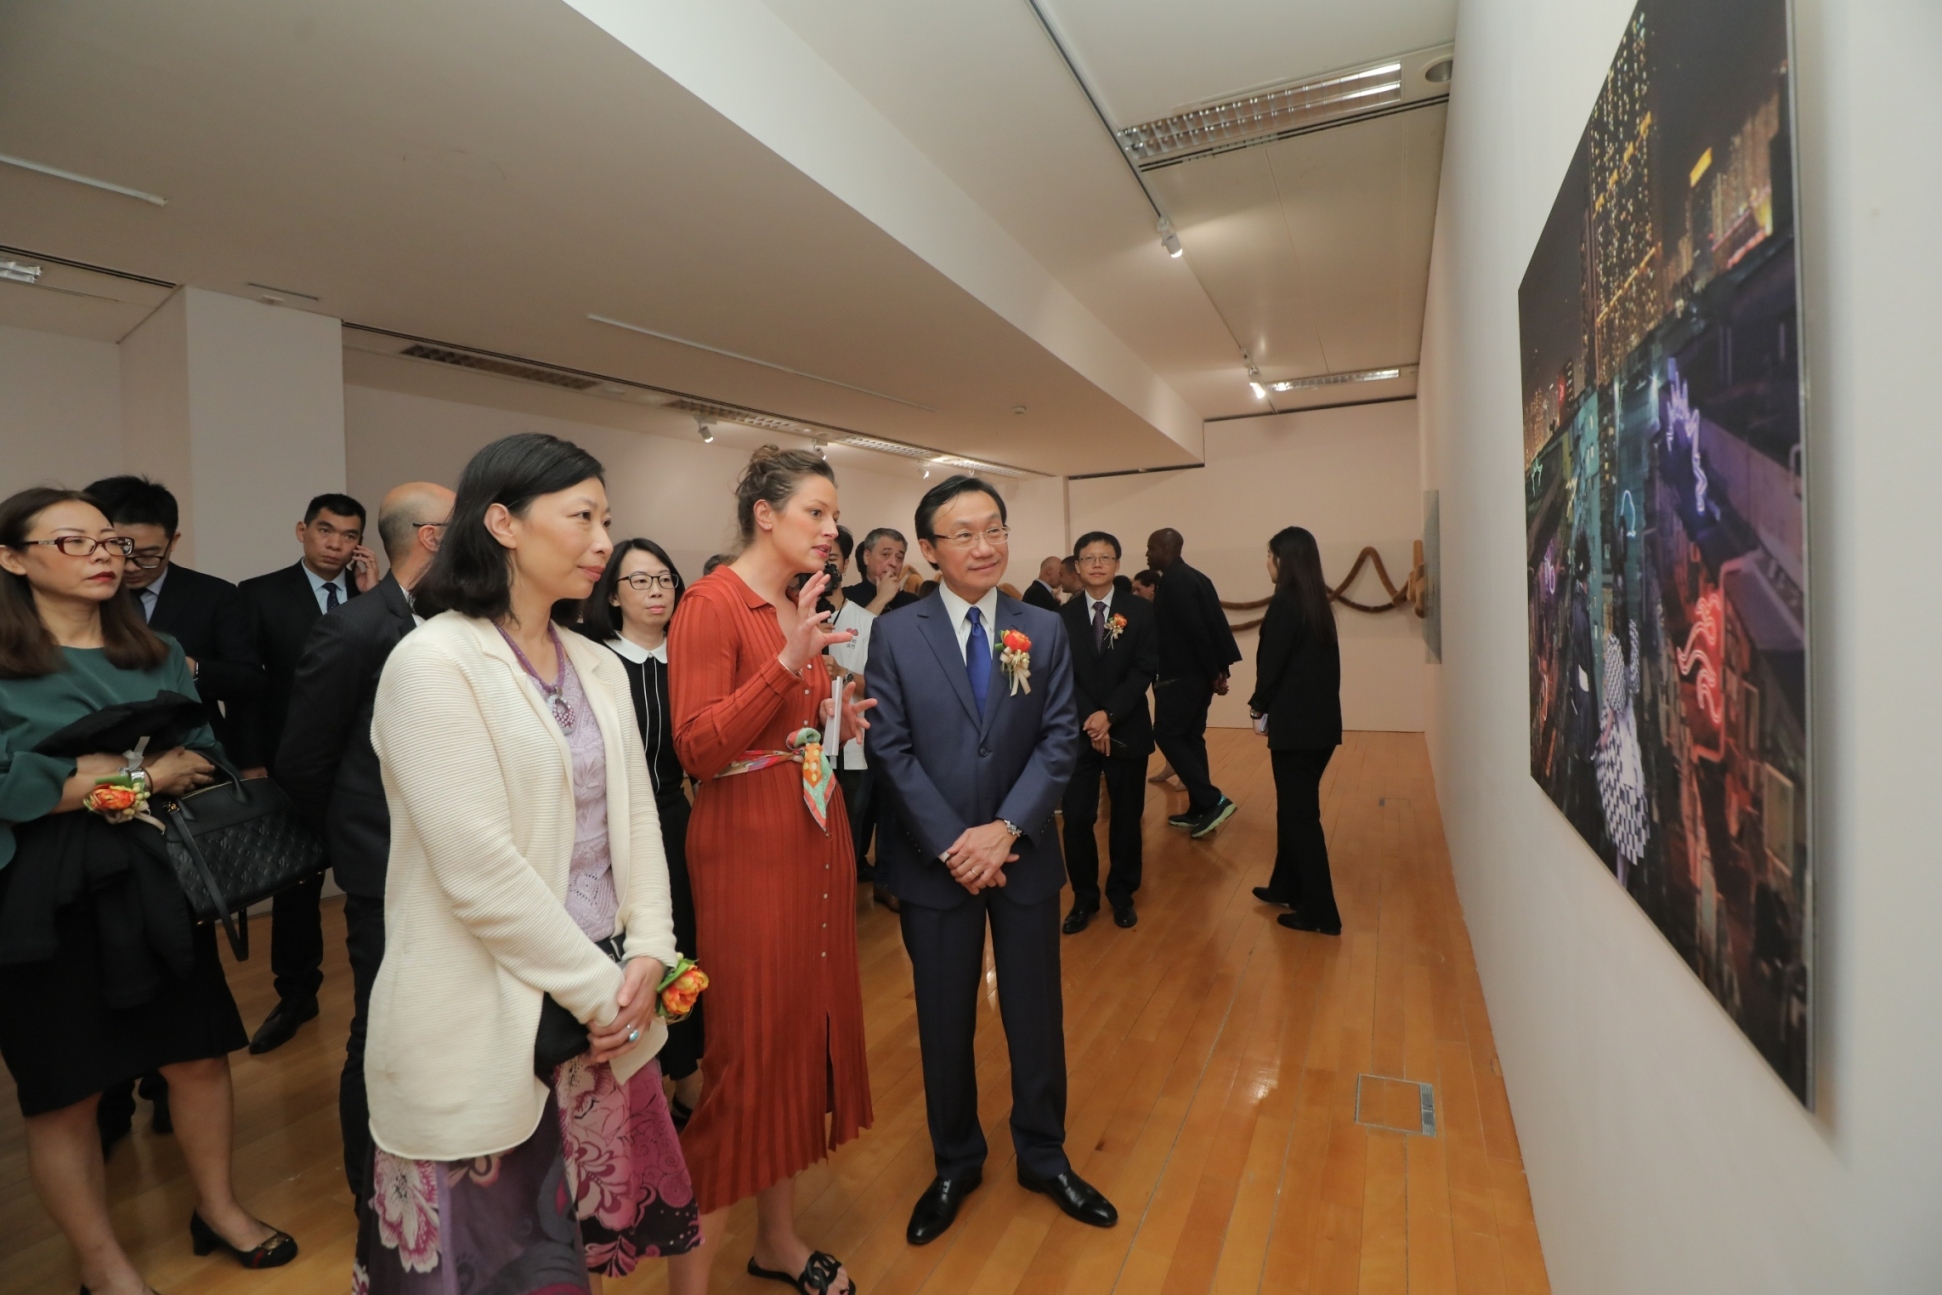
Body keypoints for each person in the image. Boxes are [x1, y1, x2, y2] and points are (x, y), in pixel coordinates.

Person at [358, 434, 696, 1293]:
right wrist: (600, 989)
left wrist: (651, 949)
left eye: (606, 520)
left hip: (602, 1006)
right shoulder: (432, 662)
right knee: (490, 1260)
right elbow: (478, 868)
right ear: (501, 522)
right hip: (494, 1003)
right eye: (581, 517)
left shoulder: (595, 662)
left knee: (564, 1252)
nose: (601, 542)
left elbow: (638, 818)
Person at [0, 487, 297, 1295]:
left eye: (111, 543)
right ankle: (103, 1264)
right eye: (74, 541)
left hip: (156, 877)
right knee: (66, 1091)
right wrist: (132, 775)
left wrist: (88, 778)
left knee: (197, 1057)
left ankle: (219, 1208)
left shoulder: (156, 648)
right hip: (38, 896)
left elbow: (198, 752)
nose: (105, 554)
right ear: (12, 557)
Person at [867, 474, 1116, 1246]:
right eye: (965, 533)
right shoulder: (897, 632)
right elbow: (889, 747)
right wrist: (955, 841)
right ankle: (956, 1160)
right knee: (944, 1019)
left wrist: (1005, 828)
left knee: (1035, 1014)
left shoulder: (1038, 628)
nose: (985, 545)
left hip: (1024, 855)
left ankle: (1044, 1153)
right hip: (935, 863)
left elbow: (1059, 736)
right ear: (932, 550)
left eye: (995, 528)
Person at [668, 446, 874, 1295]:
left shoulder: (796, 602)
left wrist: (833, 717)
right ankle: (689, 1282)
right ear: (765, 514)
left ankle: (778, 1242)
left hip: (809, 838)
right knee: (747, 1063)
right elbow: (700, 746)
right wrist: (789, 663)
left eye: (833, 515)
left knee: (798, 1050)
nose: (832, 530)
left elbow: (778, 732)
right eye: (816, 513)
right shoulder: (710, 605)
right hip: (749, 850)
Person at [272, 481, 453, 1214]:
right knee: (380, 1029)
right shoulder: (354, 628)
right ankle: (372, 1193)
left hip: (450, 861)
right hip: (384, 866)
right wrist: (357, 832)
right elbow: (303, 758)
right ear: (433, 537)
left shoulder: (447, 620)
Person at [82, 474, 267, 1153]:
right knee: (95, 1000)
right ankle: (106, 1100)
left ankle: (166, 1096)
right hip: (73, 863)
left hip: (166, 843)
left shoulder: (168, 641)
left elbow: (204, 746)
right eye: (105, 546)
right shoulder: (28, 652)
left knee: (181, 998)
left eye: (142, 553)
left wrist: (127, 782)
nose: (124, 566)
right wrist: (144, 777)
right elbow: (25, 792)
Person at [238, 492, 376, 1055]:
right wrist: (252, 763)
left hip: (361, 766)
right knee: (297, 886)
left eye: (348, 536)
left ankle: (376, 988)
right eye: (326, 531)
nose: (336, 545)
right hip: (290, 763)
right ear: (302, 531)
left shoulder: (373, 599)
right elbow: (248, 689)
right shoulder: (260, 595)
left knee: (368, 880)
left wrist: (373, 596)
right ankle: (296, 994)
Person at [579, 536, 707, 1127]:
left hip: (676, 814)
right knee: (621, 950)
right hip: (609, 825)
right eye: (641, 581)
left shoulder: (693, 657)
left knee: (680, 943)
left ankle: (686, 1070)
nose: (657, 591)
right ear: (613, 594)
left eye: (665, 579)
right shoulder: (593, 660)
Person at [1058, 531, 1158, 933]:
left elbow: (1144, 669)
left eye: (1105, 557)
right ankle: (1084, 898)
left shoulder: (1142, 610)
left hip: (1127, 726)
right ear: (1077, 568)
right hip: (1078, 730)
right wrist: (1092, 717)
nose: (1097, 564)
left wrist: (1110, 714)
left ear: (1117, 564)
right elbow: (1060, 673)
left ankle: (1122, 893)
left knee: (1126, 816)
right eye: (1088, 558)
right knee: (1078, 819)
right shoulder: (1060, 617)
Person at [1250, 527, 1345, 936]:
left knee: (1300, 816)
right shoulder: (1314, 602)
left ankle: (1322, 913)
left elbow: (1270, 666)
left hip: (1297, 729)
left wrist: (1258, 705)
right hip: (1318, 727)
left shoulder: (1286, 605)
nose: (1267, 563)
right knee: (1291, 808)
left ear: (1282, 560)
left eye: (1269, 556)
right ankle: (1285, 885)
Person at [1145, 528, 1243, 838]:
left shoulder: (1173, 581)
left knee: (1167, 734)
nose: (1147, 554)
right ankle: (1200, 807)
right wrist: (1218, 669)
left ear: (1166, 547)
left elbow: (1196, 630)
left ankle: (1212, 799)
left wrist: (1213, 669)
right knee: (1190, 736)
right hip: (1198, 674)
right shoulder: (1197, 577)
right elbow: (1216, 625)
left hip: (1180, 675)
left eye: (1151, 548)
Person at [824, 528, 889, 907]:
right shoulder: (790, 615)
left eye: (833, 556)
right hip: (802, 748)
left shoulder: (865, 621)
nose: (826, 562)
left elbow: (882, 686)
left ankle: (839, 909)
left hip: (853, 749)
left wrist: (841, 673)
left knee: (848, 830)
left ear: (847, 564)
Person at [845, 526, 920, 614]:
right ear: (866, 557)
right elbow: (856, 627)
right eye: (885, 555)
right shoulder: (846, 598)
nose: (894, 563)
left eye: (899, 557)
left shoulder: (913, 602)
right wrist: (881, 598)